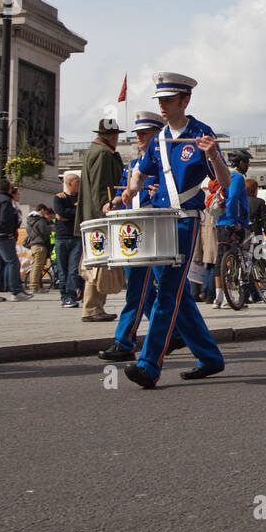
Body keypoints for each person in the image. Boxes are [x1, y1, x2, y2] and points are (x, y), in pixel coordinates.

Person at [116, 71, 231, 388]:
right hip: (157, 219)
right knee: (176, 294)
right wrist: (131, 188)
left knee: (167, 290)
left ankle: (149, 363)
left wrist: (213, 156)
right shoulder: (157, 140)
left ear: (185, 100)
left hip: (185, 218)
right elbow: (140, 172)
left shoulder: (200, 133)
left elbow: (224, 181)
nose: (163, 106)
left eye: (169, 100)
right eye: (161, 101)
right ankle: (209, 357)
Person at [99, 111, 166, 363]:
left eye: (144, 133)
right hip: (134, 230)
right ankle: (174, 331)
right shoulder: (132, 166)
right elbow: (124, 194)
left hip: (155, 229)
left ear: (158, 135)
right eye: (137, 134)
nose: (138, 138)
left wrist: (160, 191)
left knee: (149, 290)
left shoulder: (164, 165)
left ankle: (126, 340)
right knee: (142, 292)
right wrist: (114, 202)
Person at [76, 118, 125, 322]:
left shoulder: (93, 152)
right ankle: (92, 308)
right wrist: (107, 210)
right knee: (98, 264)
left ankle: (94, 307)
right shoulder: (103, 155)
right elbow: (101, 188)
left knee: (97, 262)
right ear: (112, 136)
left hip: (92, 216)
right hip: (100, 217)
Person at [0, 179, 31, 302]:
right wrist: (9, 232)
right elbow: (5, 219)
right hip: (3, 236)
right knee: (13, 262)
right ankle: (16, 291)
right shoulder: (6, 201)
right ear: (9, 189)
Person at [214, 149, 252, 308]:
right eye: (247, 162)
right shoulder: (236, 176)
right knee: (233, 258)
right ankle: (229, 298)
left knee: (222, 257)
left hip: (220, 222)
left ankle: (219, 298)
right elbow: (233, 198)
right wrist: (234, 221)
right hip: (231, 222)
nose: (248, 166)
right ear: (241, 162)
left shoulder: (225, 174)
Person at [54, 171, 82, 308]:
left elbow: (74, 214)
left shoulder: (81, 199)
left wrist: (70, 213)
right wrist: (74, 211)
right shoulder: (59, 198)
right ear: (70, 183)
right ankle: (64, 296)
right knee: (62, 269)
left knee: (72, 269)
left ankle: (70, 295)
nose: (80, 184)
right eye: (78, 182)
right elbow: (60, 213)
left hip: (76, 237)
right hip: (61, 237)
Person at [24, 204, 53, 291]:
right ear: (42, 210)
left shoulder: (31, 220)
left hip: (34, 244)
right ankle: (34, 286)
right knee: (37, 266)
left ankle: (36, 285)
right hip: (40, 245)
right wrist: (50, 228)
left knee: (36, 266)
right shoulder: (40, 220)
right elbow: (44, 231)